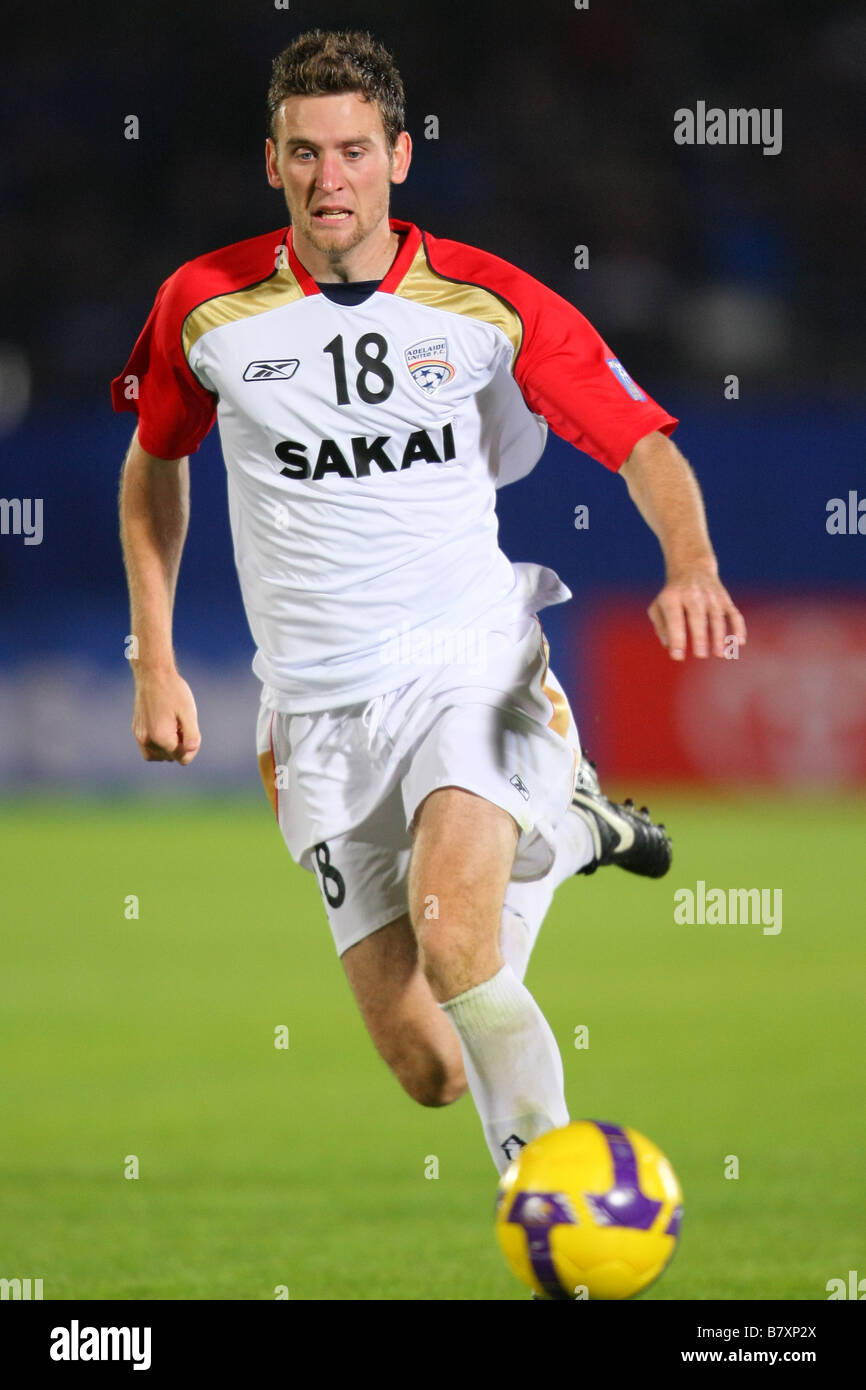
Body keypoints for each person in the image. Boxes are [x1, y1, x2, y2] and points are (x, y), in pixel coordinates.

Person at [113, 29, 746, 1175]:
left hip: (466, 663)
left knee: (460, 947)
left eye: (353, 149)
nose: (329, 178)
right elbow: (154, 463)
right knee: (429, 1067)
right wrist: (152, 654)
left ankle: (554, 1202)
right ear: (271, 163)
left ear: (398, 155)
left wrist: (689, 562)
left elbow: (635, 436)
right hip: (311, 710)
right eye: (303, 153)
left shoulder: (485, 302)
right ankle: (571, 830)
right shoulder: (204, 308)